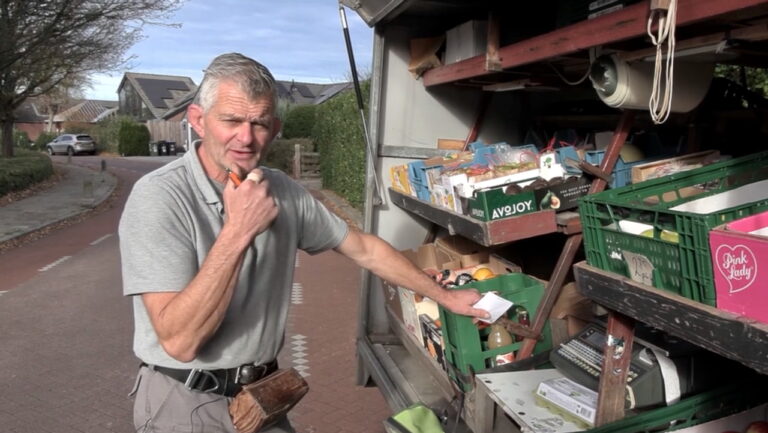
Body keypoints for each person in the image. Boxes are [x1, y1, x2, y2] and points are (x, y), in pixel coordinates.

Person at [119, 52, 488, 433]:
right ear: (197, 120)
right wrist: (239, 230)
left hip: (260, 394)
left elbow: (363, 248)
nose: (246, 138)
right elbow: (180, 342)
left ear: (275, 127)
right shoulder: (159, 197)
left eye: (259, 123)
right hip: (186, 401)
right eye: (230, 121)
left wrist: (445, 297)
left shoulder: (282, 190)